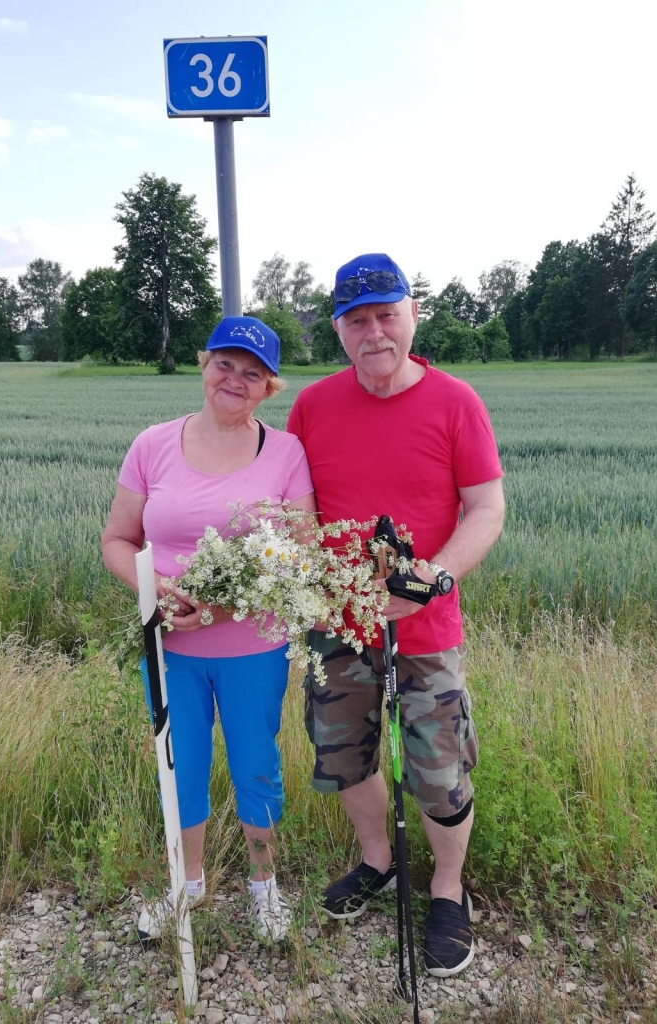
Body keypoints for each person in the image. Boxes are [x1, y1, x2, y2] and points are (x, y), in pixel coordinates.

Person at [287, 253, 505, 978]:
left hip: (426, 625)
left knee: (439, 770)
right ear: (339, 330)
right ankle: (377, 862)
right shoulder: (312, 407)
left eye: (387, 314)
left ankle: (448, 891)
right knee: (345, 754)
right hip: (339, 622)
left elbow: (486, 508)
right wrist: (317, 576)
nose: (373, 331)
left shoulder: (455, 401)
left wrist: (434, 576)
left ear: (412, 315)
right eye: (357, 319)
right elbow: (300, 513)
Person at [102, 316, 315, 944]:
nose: (235, 379)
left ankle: (263, 886)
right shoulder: (152, 445)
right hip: (170, 647)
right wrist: (156, 589)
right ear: (204, 365)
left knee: (255, 765)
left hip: (254, 646)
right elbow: (117, 540)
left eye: (253, 373)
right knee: (180, 764)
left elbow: (301, 552)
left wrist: (222, 605)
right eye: (226, 363)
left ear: (268, 389)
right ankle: (185, 886)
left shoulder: (286, 453)